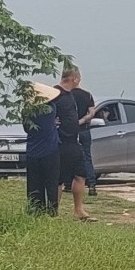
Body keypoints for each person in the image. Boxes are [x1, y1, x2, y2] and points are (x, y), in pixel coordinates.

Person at [54, 66, 93, 221]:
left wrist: (79, 122)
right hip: (60, 141)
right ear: (74, 78)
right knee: (58, 178)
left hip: (73, 141)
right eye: (79, 78)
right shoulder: (56, 94)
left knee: (80, 173)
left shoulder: (71, 95)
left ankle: (78, 209)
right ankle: (54, 210)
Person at [23, 82, 62, 215]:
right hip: (50, 150)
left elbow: (26, 129)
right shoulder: (51, 108)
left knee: (34, 183)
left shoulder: (26, 111)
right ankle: (52, 211)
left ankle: (35, 209)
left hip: (32, 151)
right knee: (51, 182)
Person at [70, 82, 98, 196]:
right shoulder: (87, 95)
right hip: (85, 130)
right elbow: (92, 113)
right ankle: (91, 185)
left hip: (70, 130)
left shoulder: (67, 95)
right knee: (87, 157)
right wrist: (82, 120)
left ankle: (68, 183)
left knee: (70, 156)